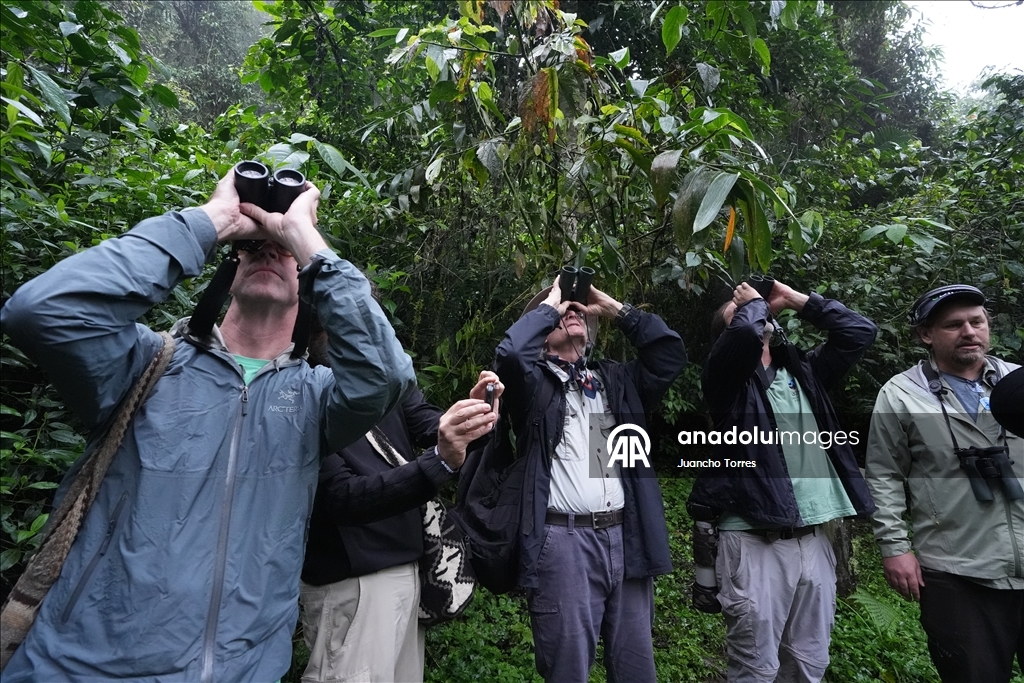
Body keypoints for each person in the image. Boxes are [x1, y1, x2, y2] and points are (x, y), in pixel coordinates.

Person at [0, 170, 419, 682]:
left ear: (309, 286)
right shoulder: (146, 364)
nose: (267, 253)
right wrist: (213, 220)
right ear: (228, 268)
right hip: (82, 666)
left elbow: (387, 373)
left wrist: (306, 239)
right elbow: (42, 310)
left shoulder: (316, 398)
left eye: (282, 252)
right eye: (253, 249)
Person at [492, 276, 686, 683]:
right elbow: (510, 354)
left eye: (577, 309)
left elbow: (669, 355)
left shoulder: (614, 381)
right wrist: (550, 306)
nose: (572, 311)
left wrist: (611, 306)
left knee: (636, 670)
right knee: (568, 670)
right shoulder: (532, 387)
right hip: (563, 544)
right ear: (543, 336)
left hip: (626, 538)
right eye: (563, 310)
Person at [687, 279, 877, 683]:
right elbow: (742, 333)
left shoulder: (805, 372)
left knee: (809, 665)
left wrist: (796, 300)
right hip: (754, 542)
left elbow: (860, 331)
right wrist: (752, 306)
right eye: (736, 309)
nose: (750, 311)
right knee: (756, 670)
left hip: (815, 538)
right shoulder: (725, 383)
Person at [300, 318, 501, 683]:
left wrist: (469, 419)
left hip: (408, 572)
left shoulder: (387, 383)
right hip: (352, 586)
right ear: (316, 329)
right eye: (343, 321)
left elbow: (432, 425)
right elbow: (341, 499)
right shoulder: (300, 391)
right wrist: (437, 461)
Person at [865, 284, 1024, 682]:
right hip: (957, 571)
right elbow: (884, 474)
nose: (970, 332)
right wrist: (894, 548)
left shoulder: (1018, 382)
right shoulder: (901, 394)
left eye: (977, 321)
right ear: (926, 335)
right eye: (954, 325)